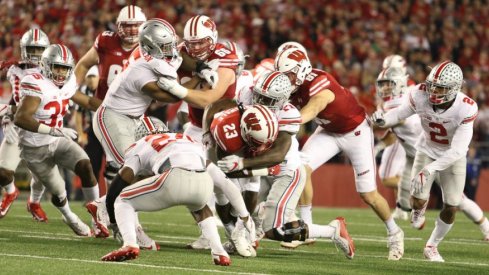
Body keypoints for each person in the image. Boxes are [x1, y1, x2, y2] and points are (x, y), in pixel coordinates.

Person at [275, 47, 404, 260]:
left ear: (301, 69)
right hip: (329, 130)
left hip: (356, 132)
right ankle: (306, 227)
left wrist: (284, 122)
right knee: (300, 169)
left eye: (288, 74)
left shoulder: (319, 83)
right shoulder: (292, 86)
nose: (285, 79)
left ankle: (394, 233)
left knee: (368, 194)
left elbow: (312, 110)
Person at [211, 73, 355, 259]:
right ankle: (247, 237)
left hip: (286, 170)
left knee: (275, 230)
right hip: (260, 164)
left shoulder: (288, 114)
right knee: (239, 204)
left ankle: (332, 231)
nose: (260, 101)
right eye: (259, 95)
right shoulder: (247, 94)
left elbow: (277, 156)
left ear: (282, 100)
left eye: (267, 99)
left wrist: (242, 163)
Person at [156, 15, 255, 254]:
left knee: (225, 186)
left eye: (201, 42)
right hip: (197, 125)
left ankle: (243, 229)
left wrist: (177, 89)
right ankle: (208, 233)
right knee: (191, 177)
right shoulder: (180, 52)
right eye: (192, 43)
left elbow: (209, 98)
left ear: (212, 39)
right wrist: (196, 71)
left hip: (225, 127)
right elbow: (177, 59)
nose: (195, 47)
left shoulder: (225, 57)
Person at [88, 18, 183, 247]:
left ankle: (102, 204)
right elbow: (167, 96)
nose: (171, 50)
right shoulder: (141, 68)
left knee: (150, 169)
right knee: (130, 170)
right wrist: (193, 87)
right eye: (166, 45)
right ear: (152, 46)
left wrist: (198, 67)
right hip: (113, 117)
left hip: (134, 119)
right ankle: (129, 228)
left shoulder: (154, 58)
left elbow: (180, 57)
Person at [372, 61, 479, 261]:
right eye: (432, 85)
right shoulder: (419, 94)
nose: (433, 91)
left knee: (452, 205)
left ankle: (432, 246)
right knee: (417, 199)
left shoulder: (466, 108)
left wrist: (431, 169)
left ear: (454, 89)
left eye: (440, 87)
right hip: (427, 148)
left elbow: (458, 150)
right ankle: (418, 210)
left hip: (452, 156)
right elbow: (400, 113)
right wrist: (383, 120)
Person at [100, 122, 231, 265]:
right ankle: (219, 252)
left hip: (174, 178)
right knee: (200, 208)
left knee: (122, 199)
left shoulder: (143, 143)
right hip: (205, 181)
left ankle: (130, 244)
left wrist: (113, 221)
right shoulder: (186, 138)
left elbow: (117, 186)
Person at [13, 44, 101, 236]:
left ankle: (98, 218)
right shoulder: (35, 82)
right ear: (46, 65)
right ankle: (68, 215)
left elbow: (85, 101)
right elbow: (21, 117)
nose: (61, 72)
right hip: (34, 147)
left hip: (59, 139)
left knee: (86, 166)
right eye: (57, 67)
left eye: (65, 68)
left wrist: (111, 108)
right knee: (59, 192)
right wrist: (52, 130)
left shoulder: (68, 84)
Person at [74, 5, 146, 187]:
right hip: (102, 112)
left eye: (136, 25)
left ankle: (117, 206)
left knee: (128, 165)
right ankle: (102, 206)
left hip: (133, 116)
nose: (131, 29)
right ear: (118, 26)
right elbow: (83, 64)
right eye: (127, 25)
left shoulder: (149, 47)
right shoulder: (106, 42)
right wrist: (71, 87)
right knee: (92, 164)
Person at [0, 28, 49, 220]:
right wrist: (7, 117)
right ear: (24, 49)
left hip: (42, 124)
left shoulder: (53, 69)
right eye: (32, 49)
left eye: (39, 49)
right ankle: (11, 192)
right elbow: (17, 98)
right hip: (20, 123)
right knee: (3, 172)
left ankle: (34, 202)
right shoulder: (16, 69)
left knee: (42, 174)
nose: (36, 54)